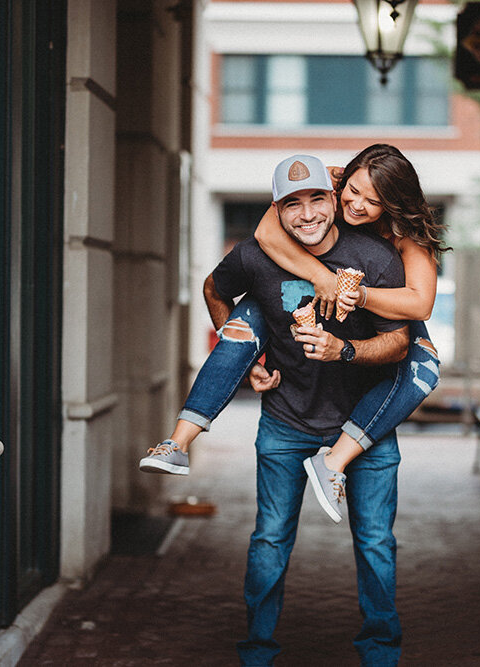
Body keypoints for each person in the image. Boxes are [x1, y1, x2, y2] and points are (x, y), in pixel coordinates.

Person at [140, 144, 446, 524]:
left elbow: (420, 306)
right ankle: (177, 443)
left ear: (394, 203)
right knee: (240, 325)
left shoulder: (402, 237)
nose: (357, 205)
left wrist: (357, 294)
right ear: (341, 183)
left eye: (375, 200)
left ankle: (335, 460)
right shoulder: (329, 183)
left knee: (425, 366)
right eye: (353, 192)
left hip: (382, 306)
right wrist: (322, 278)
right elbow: (267, 229)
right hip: (304, 302)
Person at [206, 154, 408, 665]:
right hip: (285, 421)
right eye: (291, 204)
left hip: (364, 427)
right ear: (277, 210)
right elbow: (215, 288)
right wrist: (246, 354)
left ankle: (380, 652)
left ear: (334, 200)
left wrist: (345, 350)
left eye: (317, 198)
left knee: (377, 543)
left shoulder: (377, 258)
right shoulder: (255, 255)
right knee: (271, 538)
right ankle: (257, 651)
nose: (308, 213)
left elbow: (400, 342)